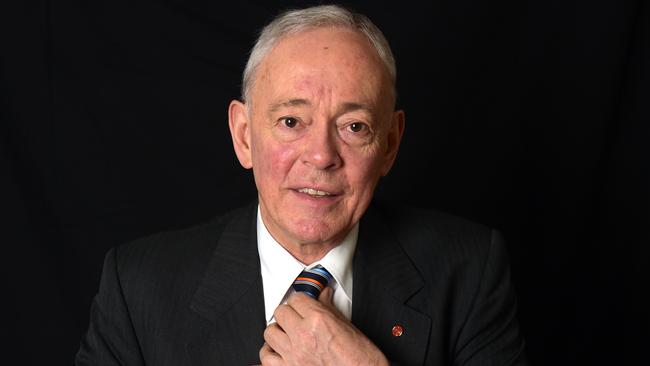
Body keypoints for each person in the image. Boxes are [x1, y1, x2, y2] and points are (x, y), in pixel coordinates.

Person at [76, 5, 528, 365]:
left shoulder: (468, 271)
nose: (321, 155)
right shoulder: (140, 289)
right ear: (244, 135)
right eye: (291, 121)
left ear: (389, 145)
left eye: (353, 127)